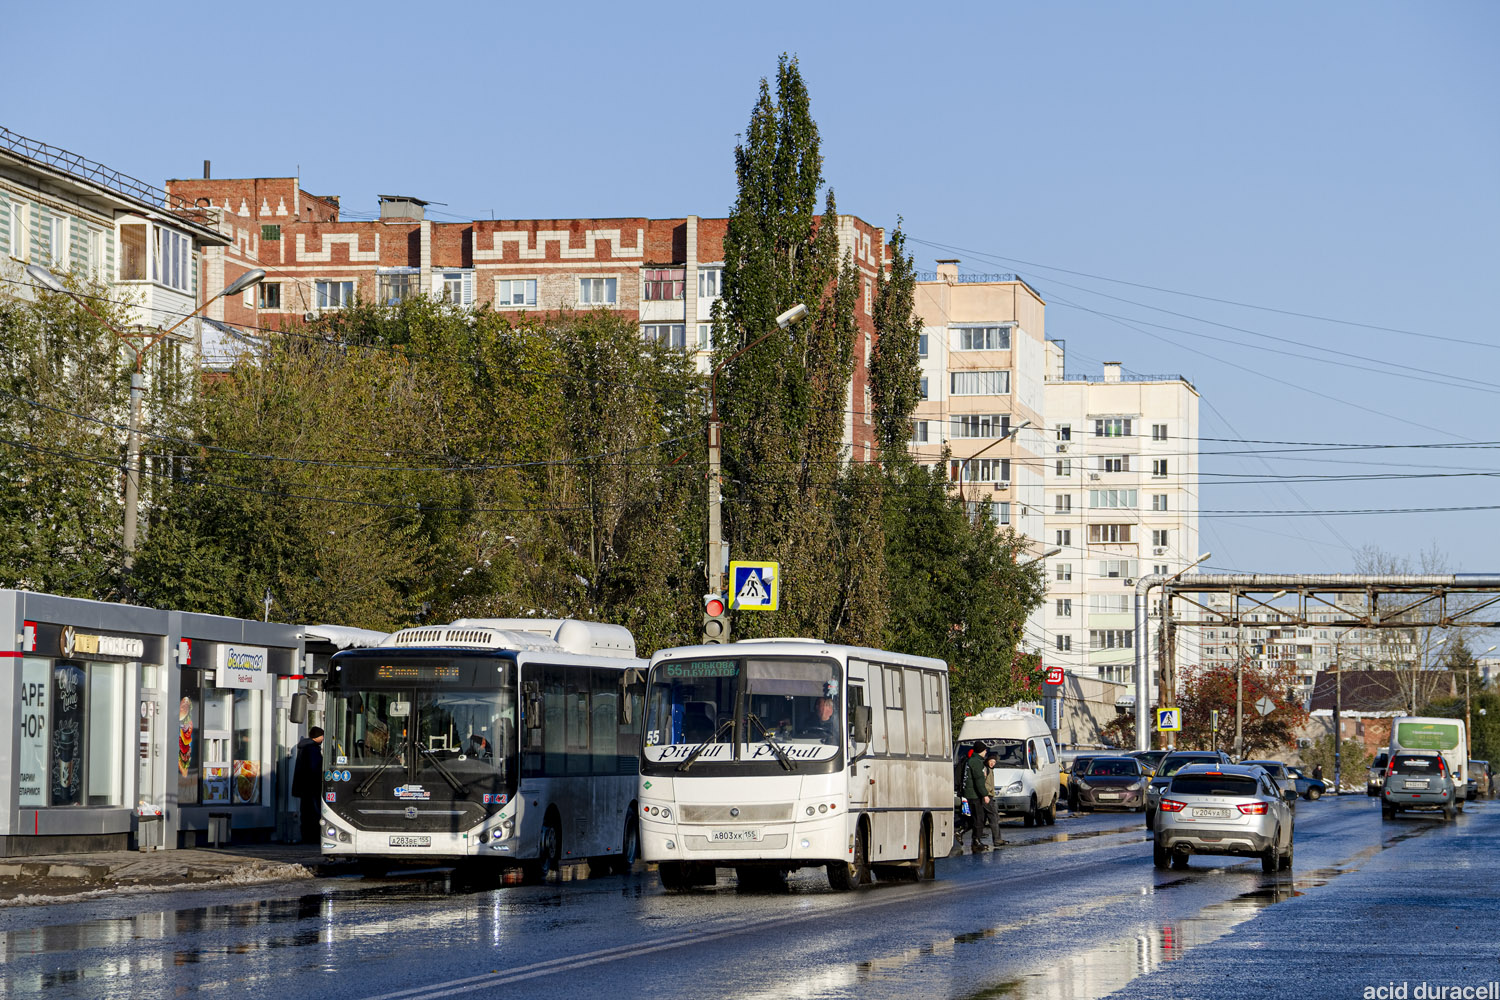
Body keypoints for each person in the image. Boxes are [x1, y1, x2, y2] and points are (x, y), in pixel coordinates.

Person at [291, 726, 325, 845]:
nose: (323, 738)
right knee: (313, 812)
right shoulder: (312, 749)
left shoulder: (305, 747)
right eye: (322, 736)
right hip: (312, 787)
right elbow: (315, 768)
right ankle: (312, 837)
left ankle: (306, 836)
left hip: (304, 787)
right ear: (318, 736)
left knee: (305, 811)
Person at [961, 746, 991, 852]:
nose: (986, 751)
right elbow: (979, 780)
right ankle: (976, 842)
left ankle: (963, 833)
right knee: (979, 819)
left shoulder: (970, 761)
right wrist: (985, 795)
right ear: (980, 751)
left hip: (968, 793)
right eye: (984, 750)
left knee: (971, 818)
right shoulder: (976, 762)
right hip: (974, 795)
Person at [983, 754, 1005, 846]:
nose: (992, 763)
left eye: (994, 762)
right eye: (991, 761)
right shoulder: (985, 769)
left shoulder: (990, 769)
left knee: (983, 818)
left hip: (989, 796)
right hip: (987, 796)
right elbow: (983, 783)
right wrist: (987, 792)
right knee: (994, 818)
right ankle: (997, 840)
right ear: (987, 760)